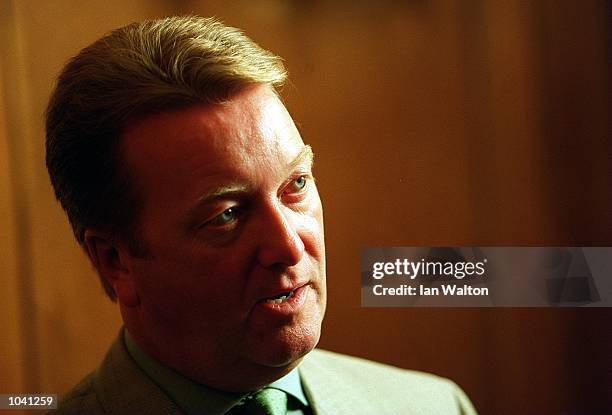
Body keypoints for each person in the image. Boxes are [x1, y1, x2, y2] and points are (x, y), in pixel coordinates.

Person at [45, 15, 477, 414]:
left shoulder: (436, 405)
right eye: (226, 215)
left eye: (296, 185)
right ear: (114, 260)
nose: (288, 246)